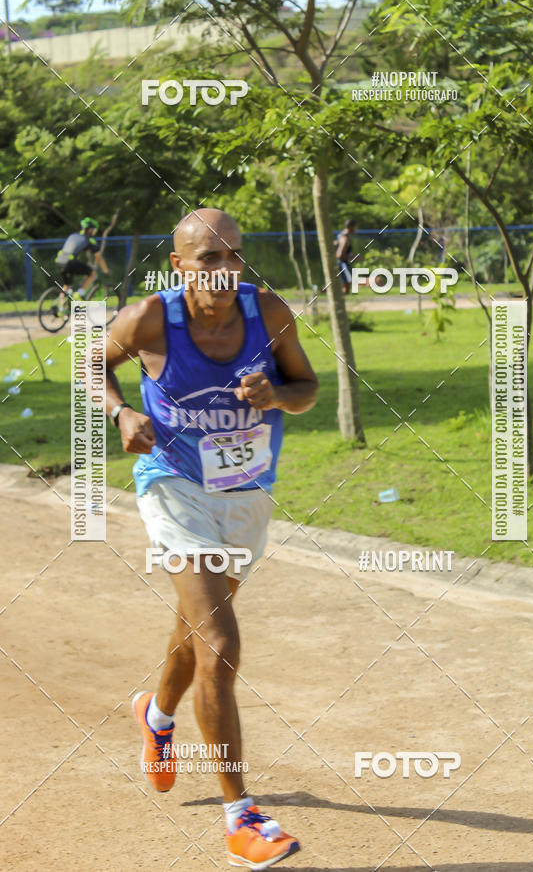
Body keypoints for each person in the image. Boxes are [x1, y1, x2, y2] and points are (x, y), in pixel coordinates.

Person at [104, 208, 318, 869]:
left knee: (196, 632)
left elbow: (308, 388)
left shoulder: (268, 311)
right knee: (220, 645)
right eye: (209, 259)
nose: (226, 271)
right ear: (179, 265)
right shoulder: (150, 319)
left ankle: (156, 716)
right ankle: (241, 820)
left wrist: (277, 396)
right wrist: (122, 411)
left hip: (246, 495)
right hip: (172, 487)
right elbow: (92, 362)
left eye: (234, 256)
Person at [56, 216, 109, 298]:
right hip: (70, 263)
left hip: (60, 261)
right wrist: (106, 270)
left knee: (67, 286)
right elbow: (99, 258)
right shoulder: (89, 240)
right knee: (92, 273)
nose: (95, 232)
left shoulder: (73, 235)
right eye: (95, 229)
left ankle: (61, 308)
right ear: (90, 229)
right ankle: (79, 294)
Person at [335, 218, 357, 295]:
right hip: (342, 263)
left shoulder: (341, 235)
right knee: (346, 286)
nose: (356, 229)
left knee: (347, 285)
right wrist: (352, 257)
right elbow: (339, 254)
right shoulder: (345, 238)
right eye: (355, 227)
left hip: (342, 263)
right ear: (351, 227)